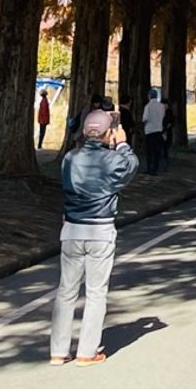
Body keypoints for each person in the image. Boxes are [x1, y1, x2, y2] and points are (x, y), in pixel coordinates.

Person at [49, 106, 138, 365]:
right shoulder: (113, 160)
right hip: (100, 229)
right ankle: (87, 352)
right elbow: (131, 166)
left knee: (66, 290)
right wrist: (122, 144)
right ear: (108, 133)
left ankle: (58, 351)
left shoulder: (70, 158)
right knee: (96, 293)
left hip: (72, 228)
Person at [141, 87, 166, 175]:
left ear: (149, 96)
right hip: (158, 130)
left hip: (149, 131)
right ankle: (155, 169)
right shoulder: (161, 106)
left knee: (149, 151)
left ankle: (149, 168)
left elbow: (145, 118)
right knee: (157, 151)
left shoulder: (148, 106)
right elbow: (163, 116)